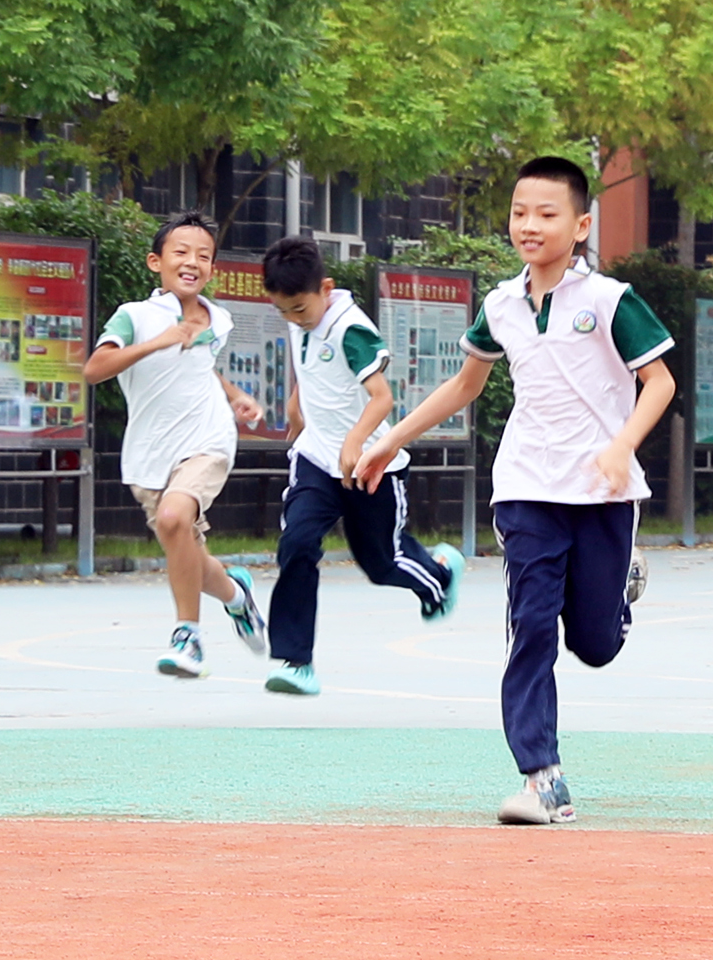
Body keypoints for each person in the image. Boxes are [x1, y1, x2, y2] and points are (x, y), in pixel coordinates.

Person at [356, 156, 674, 826]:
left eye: (547, 213)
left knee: (593, 644)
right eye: (519, 212)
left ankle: (620, 586)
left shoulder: (609, 302)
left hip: (603, 493)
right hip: (527, 486)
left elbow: (662, 383)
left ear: (581, 224)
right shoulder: (501, 305)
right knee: (530, 626)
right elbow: (465, 385)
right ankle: (541, 777)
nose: (529, 225)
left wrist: (621, 447)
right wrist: (390, 438)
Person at [256, 235, 464, 696]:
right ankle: (296, 661)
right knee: (297, 542)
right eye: (283, 311)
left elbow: (381, 397)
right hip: (315, 458)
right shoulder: (298, 316)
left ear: (325, 289)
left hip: (371, 463)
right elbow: (308, 366)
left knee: (381, 563)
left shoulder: (351, 329)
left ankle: (440, 574)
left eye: (300, 311)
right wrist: (296, 402)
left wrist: (356, 440)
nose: (293, 319)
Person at [81, 212, 268, 677]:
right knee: (180, 543)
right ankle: (235, 594)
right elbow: (95, 369)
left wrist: (235, 397)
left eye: (203, 256)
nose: (193, 262)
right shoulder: (135, 316)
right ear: (156, 262)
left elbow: (200, 367)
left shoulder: (216, 319)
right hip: (150, 453)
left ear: (211, 268)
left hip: (207, 439)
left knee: (173, 518)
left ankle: (188, 637)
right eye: (181, 252)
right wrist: (159, 342)